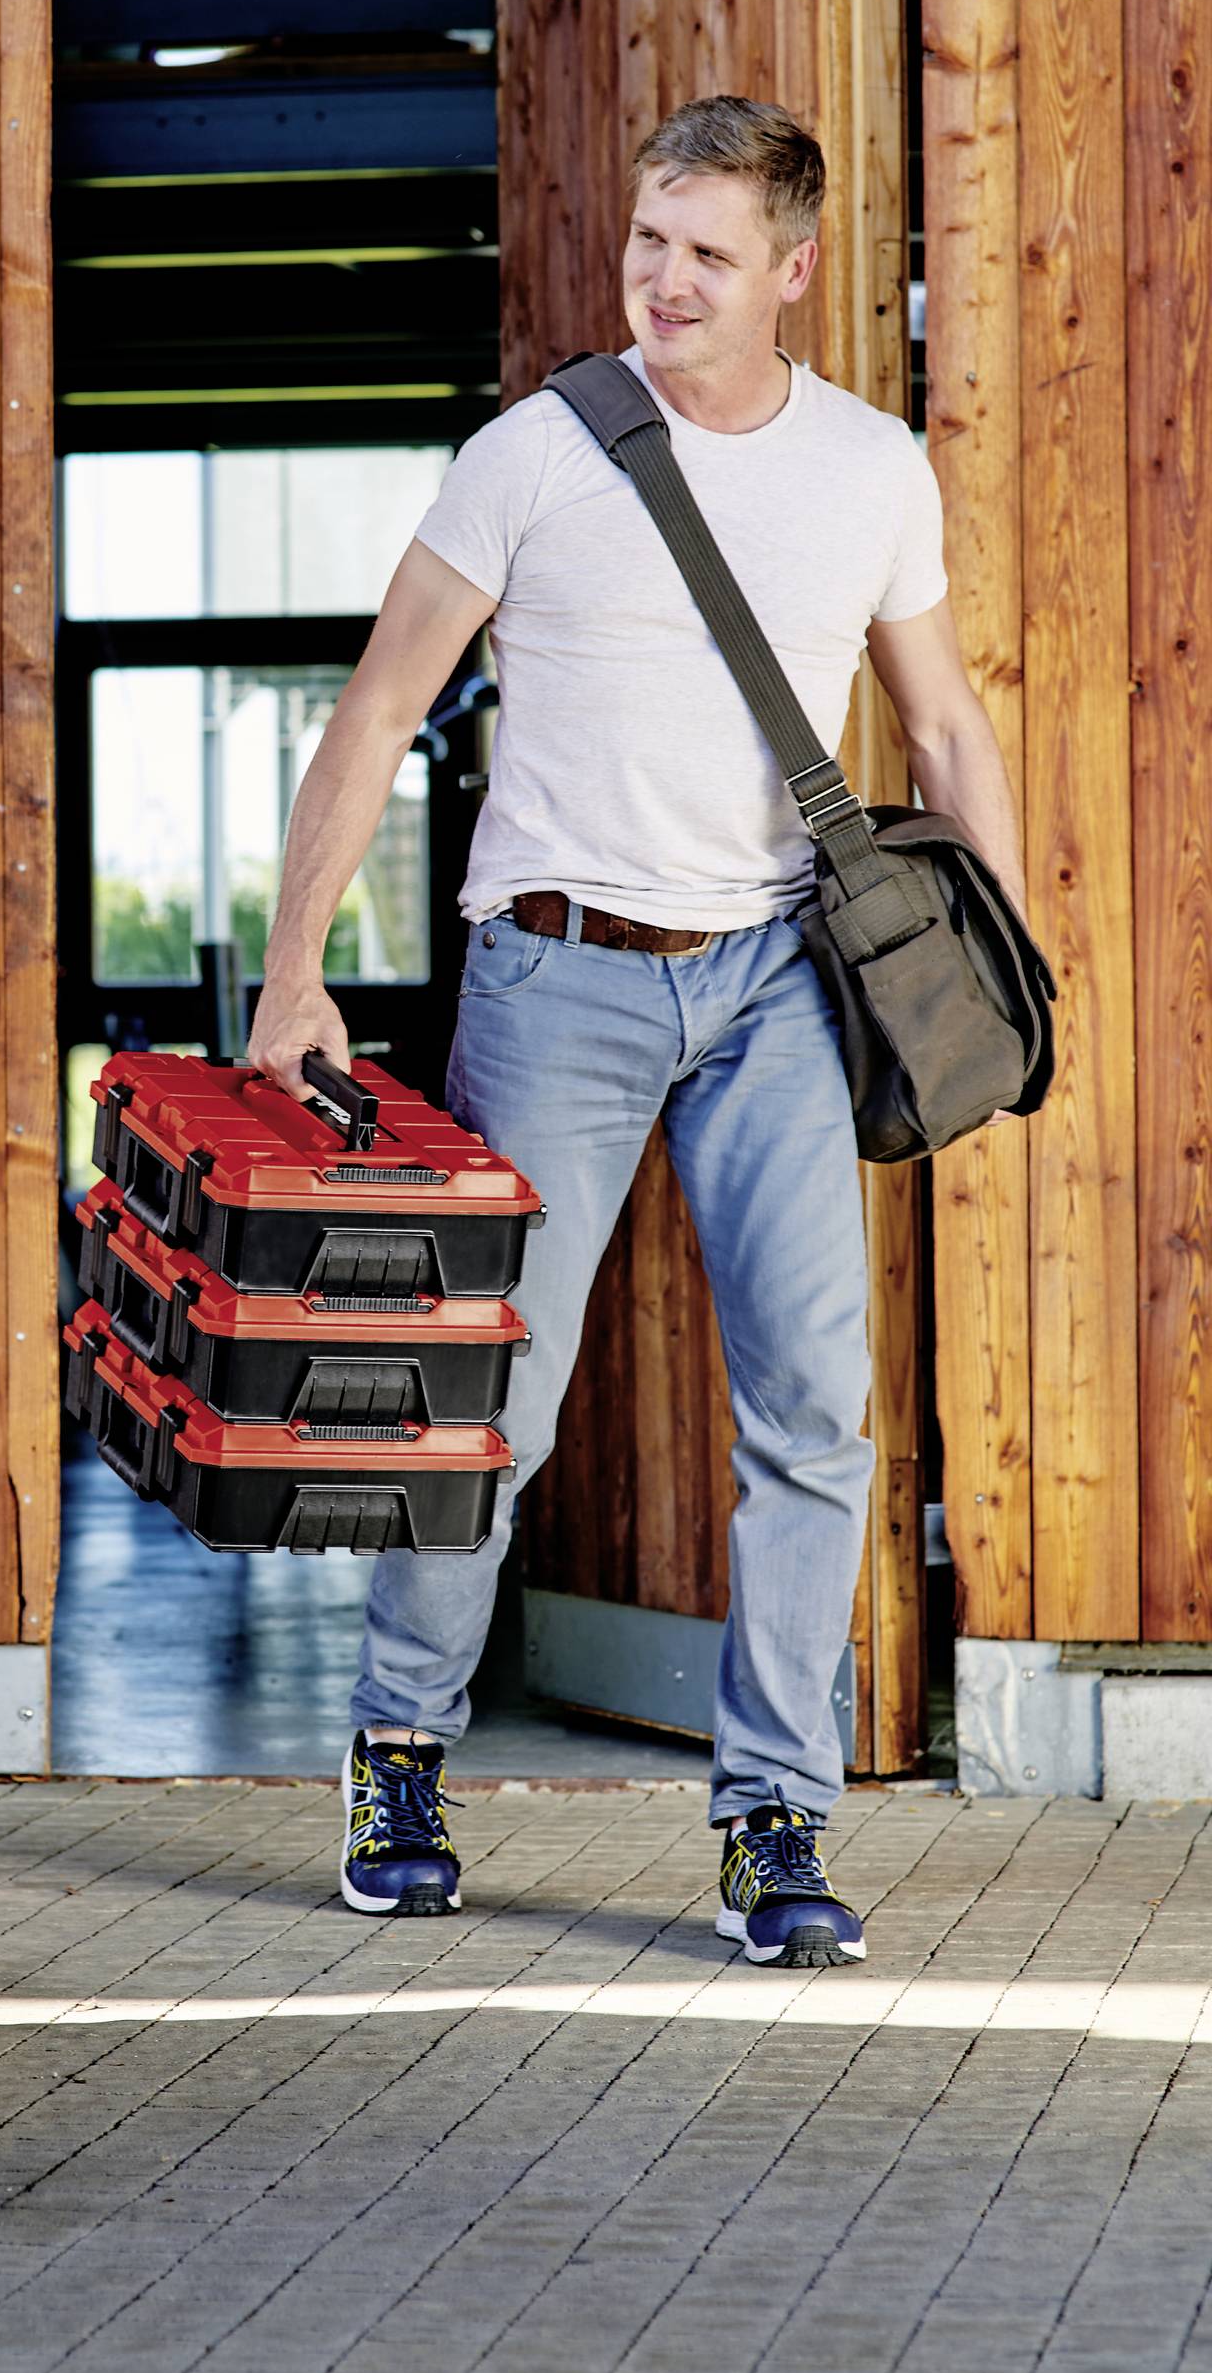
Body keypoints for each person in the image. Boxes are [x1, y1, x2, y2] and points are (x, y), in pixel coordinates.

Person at [248, 96, 1025, 1964]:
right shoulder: (532, 455)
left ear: (794, 273)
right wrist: (293, 971)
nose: (665, 281)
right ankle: (400, 1755)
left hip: (775, 983)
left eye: (708, 254)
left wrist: (999, 955)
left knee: (815, 1411)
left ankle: (776, 1818)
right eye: (650, 240)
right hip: (556, 976)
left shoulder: (871, 470)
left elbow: (942, 723)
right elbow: (376, 711)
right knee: (491, 1410)